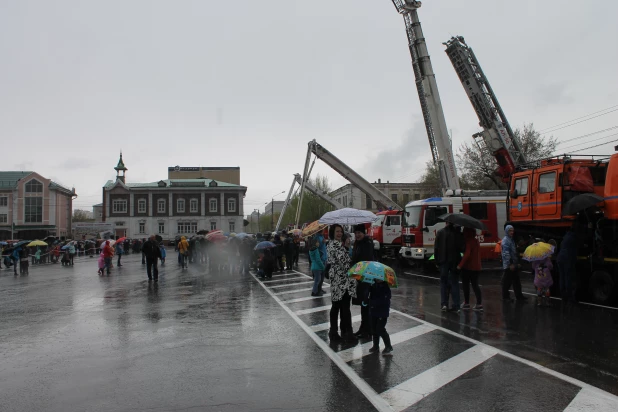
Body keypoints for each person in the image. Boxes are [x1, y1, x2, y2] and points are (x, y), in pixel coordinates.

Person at [327, 224, 357, 342]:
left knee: (337, 306)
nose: (339, 233)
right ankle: (347, 333)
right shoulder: (336, 245)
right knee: (343, 308)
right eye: (337, 231)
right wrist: (348, 250)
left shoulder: (334, 244)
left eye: (341, 231)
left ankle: (335, 332)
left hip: (337, 279)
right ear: (333, 233)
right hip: (341, 280)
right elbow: (345, 263)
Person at [350, 224, 374, 338]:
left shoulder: (367, 244)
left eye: (359, 233)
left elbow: (366, 261)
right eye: (356, 233)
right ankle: (363, 328)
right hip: (359, 278)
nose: (357, 235)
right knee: (363, 304)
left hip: (365, 278)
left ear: (363, 233)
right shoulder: (358, 244)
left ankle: (367, 330)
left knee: (365, 304)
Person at [435, 221, 464, 312]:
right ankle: (456, 305)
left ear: (446, 222)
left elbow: (436, 248)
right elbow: (462, 248)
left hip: (443, 261)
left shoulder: (440, 232)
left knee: (443, 282)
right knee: (454, 282)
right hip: (455, 261)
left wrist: (437, 261)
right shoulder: (457, 233)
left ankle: (444, 304)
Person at [457, 227, 483, 311]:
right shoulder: (476, 241)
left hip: (468, 267)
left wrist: (460, 265)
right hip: (477, 266)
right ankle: (479, 303)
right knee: (475, 285)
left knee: (466, 285)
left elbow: (467, 255)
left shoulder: (468, 242)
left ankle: (466, 302)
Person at [501, 225, 527, 301]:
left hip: (513, 263)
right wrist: (510, 264)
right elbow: (506, 253)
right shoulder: (506, 240)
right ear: (506, 231)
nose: (512, 232)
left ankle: (519, 296)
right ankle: (506, 297)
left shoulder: (511, 240)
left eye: (512, 230)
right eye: (510, 231)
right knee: (507, 282)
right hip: (509, 265)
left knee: (516, 281)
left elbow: (513, 252)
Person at [369, 279, 393, 355]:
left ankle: (388, 346)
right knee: (374, 329)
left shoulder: (385, 287)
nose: (377, 279)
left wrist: (373, 302)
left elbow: (385, 300)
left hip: (382, 312)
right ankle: (375, 346)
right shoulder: (373, 285)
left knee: (380, 329)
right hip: (374, 311)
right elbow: (371, 296)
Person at [557, 227, 577, 303]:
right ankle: (570, 297)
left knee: (562, 277)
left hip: (560, 258)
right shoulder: (573, 237)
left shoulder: (564, 238)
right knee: (568, 277)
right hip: (567, 259)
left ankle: (563, 296)